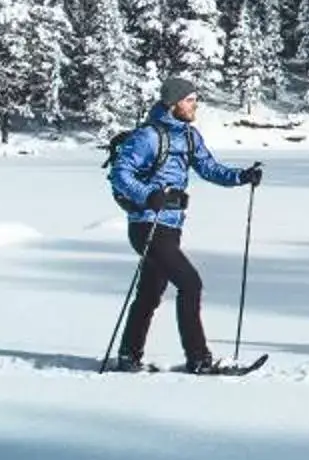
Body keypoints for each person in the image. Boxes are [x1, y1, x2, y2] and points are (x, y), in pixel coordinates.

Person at [105, 76, 263, 374]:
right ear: (173, 102)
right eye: (190, 100)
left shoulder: (189, 136)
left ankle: (129, 356)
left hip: (170, 226)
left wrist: (242, 177)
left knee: (150, 293)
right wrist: (148, 195)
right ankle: (199, 359)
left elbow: (209, 168)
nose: (195, 105)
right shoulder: (148, 137)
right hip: (146, 225)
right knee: (190, 283)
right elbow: (121, 174)